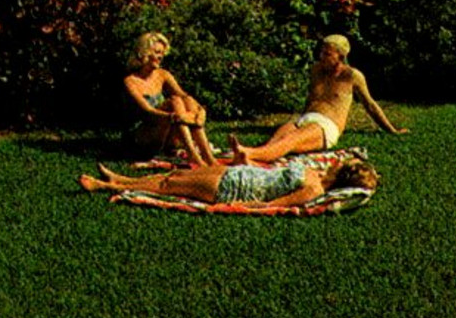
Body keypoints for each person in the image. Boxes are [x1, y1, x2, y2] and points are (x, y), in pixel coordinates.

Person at [227, 35, 408, 164]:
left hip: (326, 126)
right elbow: (311, 98)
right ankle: (251, 159)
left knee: (289, 142)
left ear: (341, 56)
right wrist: (299, 120)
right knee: (277, 138)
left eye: (327, 54)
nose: (321, 57)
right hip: (305, 119)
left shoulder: (352, 76)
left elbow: (370, 105)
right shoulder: (316, 70)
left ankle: (248, 153)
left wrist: (392, 130)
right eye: (321, 52)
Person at [78, 157, 380, 209]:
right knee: (175, 177)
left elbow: (274, 204)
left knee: (169, 188)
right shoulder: (317, 172)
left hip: (233, 189)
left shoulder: (314, 189)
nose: (342, 160)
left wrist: (236, 206)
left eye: (347, 164)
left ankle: (105, 187)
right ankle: (123, 179)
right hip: (236, 174)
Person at [121, 32, 217, 167]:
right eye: (157, 52)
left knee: (185, 100)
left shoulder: (163, 75)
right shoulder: (130, 81)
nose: (161, 57)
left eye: (162, 53)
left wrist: (200, 111)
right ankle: (192, 155)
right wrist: (175, 117)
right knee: (174, 101)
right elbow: (148, 111)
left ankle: (208, 156)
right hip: (142, 136)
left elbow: (184, 96)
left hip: (165, 131)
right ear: (144, 53)